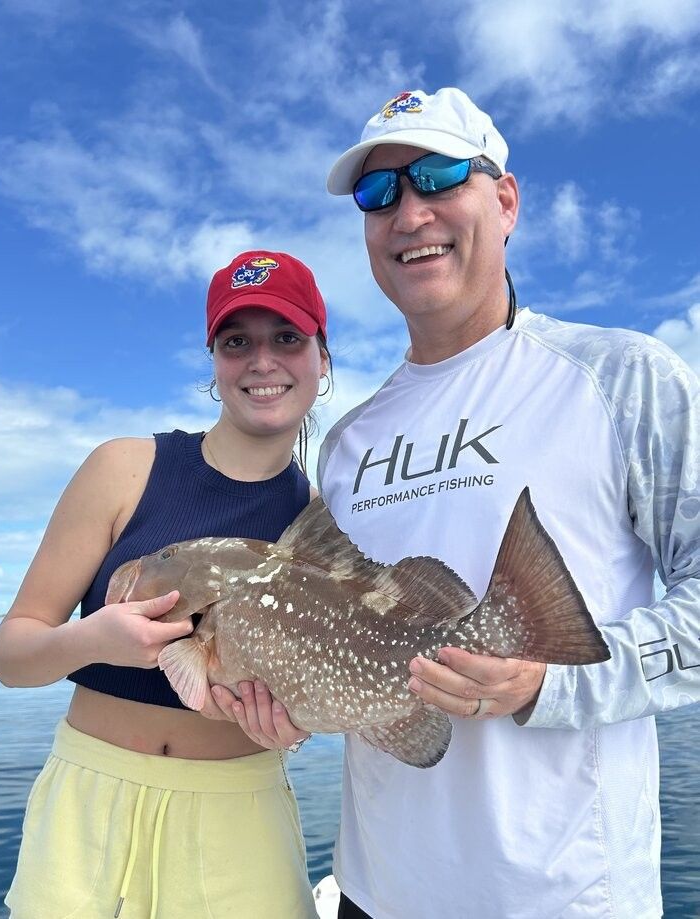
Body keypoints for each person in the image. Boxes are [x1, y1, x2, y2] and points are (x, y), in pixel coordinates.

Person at [214, 89, 700, 919]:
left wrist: (550, 684)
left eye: (439, 177)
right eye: (380, 193)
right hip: (375, 892)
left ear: (504, 201)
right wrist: (289, 709)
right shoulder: (347, 444)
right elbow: (354, 655)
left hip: (566, 899)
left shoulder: (623, 376)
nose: (409, 213)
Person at [0, 249, 328, 919]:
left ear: (322, 357)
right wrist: (93, 640)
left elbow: (308, 704)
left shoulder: (318, 523)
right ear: (213, 362)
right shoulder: (125, 468)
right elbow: (11, 655)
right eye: (238, 342)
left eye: (286, 337)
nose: (262, 360)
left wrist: (285, 727)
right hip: (89, 803)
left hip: (241, 815)